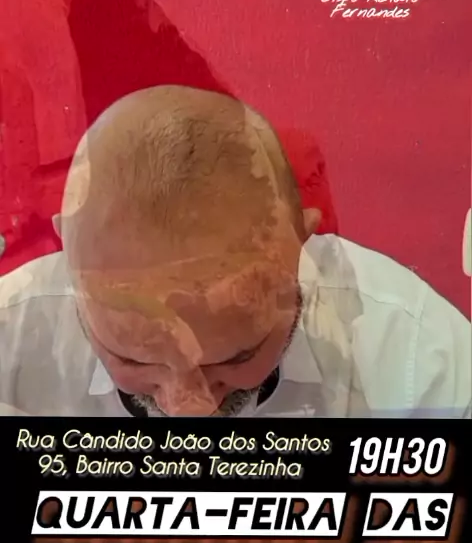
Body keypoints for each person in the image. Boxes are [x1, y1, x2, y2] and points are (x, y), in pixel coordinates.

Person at [0, 86, 470, 418]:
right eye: (135, 361)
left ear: (301, 242)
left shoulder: (419, 359)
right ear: (69, 257)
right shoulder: (10, 344)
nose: (189, 410)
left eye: (237, 359)